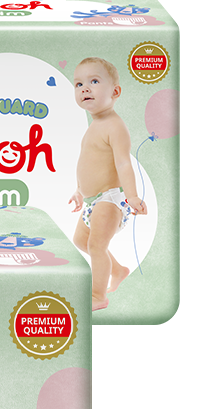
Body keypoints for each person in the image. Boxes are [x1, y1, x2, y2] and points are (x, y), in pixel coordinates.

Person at [68, 56, 147, 310]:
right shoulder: (93, 126)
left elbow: (123, 163)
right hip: (92, 201)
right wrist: (79, 190)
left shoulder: (114, 126)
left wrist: (132, 196)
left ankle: (97, 296)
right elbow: (88, 163)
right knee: (81, 241)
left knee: (96, 246)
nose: (85, 88)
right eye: (79, 84)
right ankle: (118, 270)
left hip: (110, 199)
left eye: (94, 81)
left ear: (115, 92)